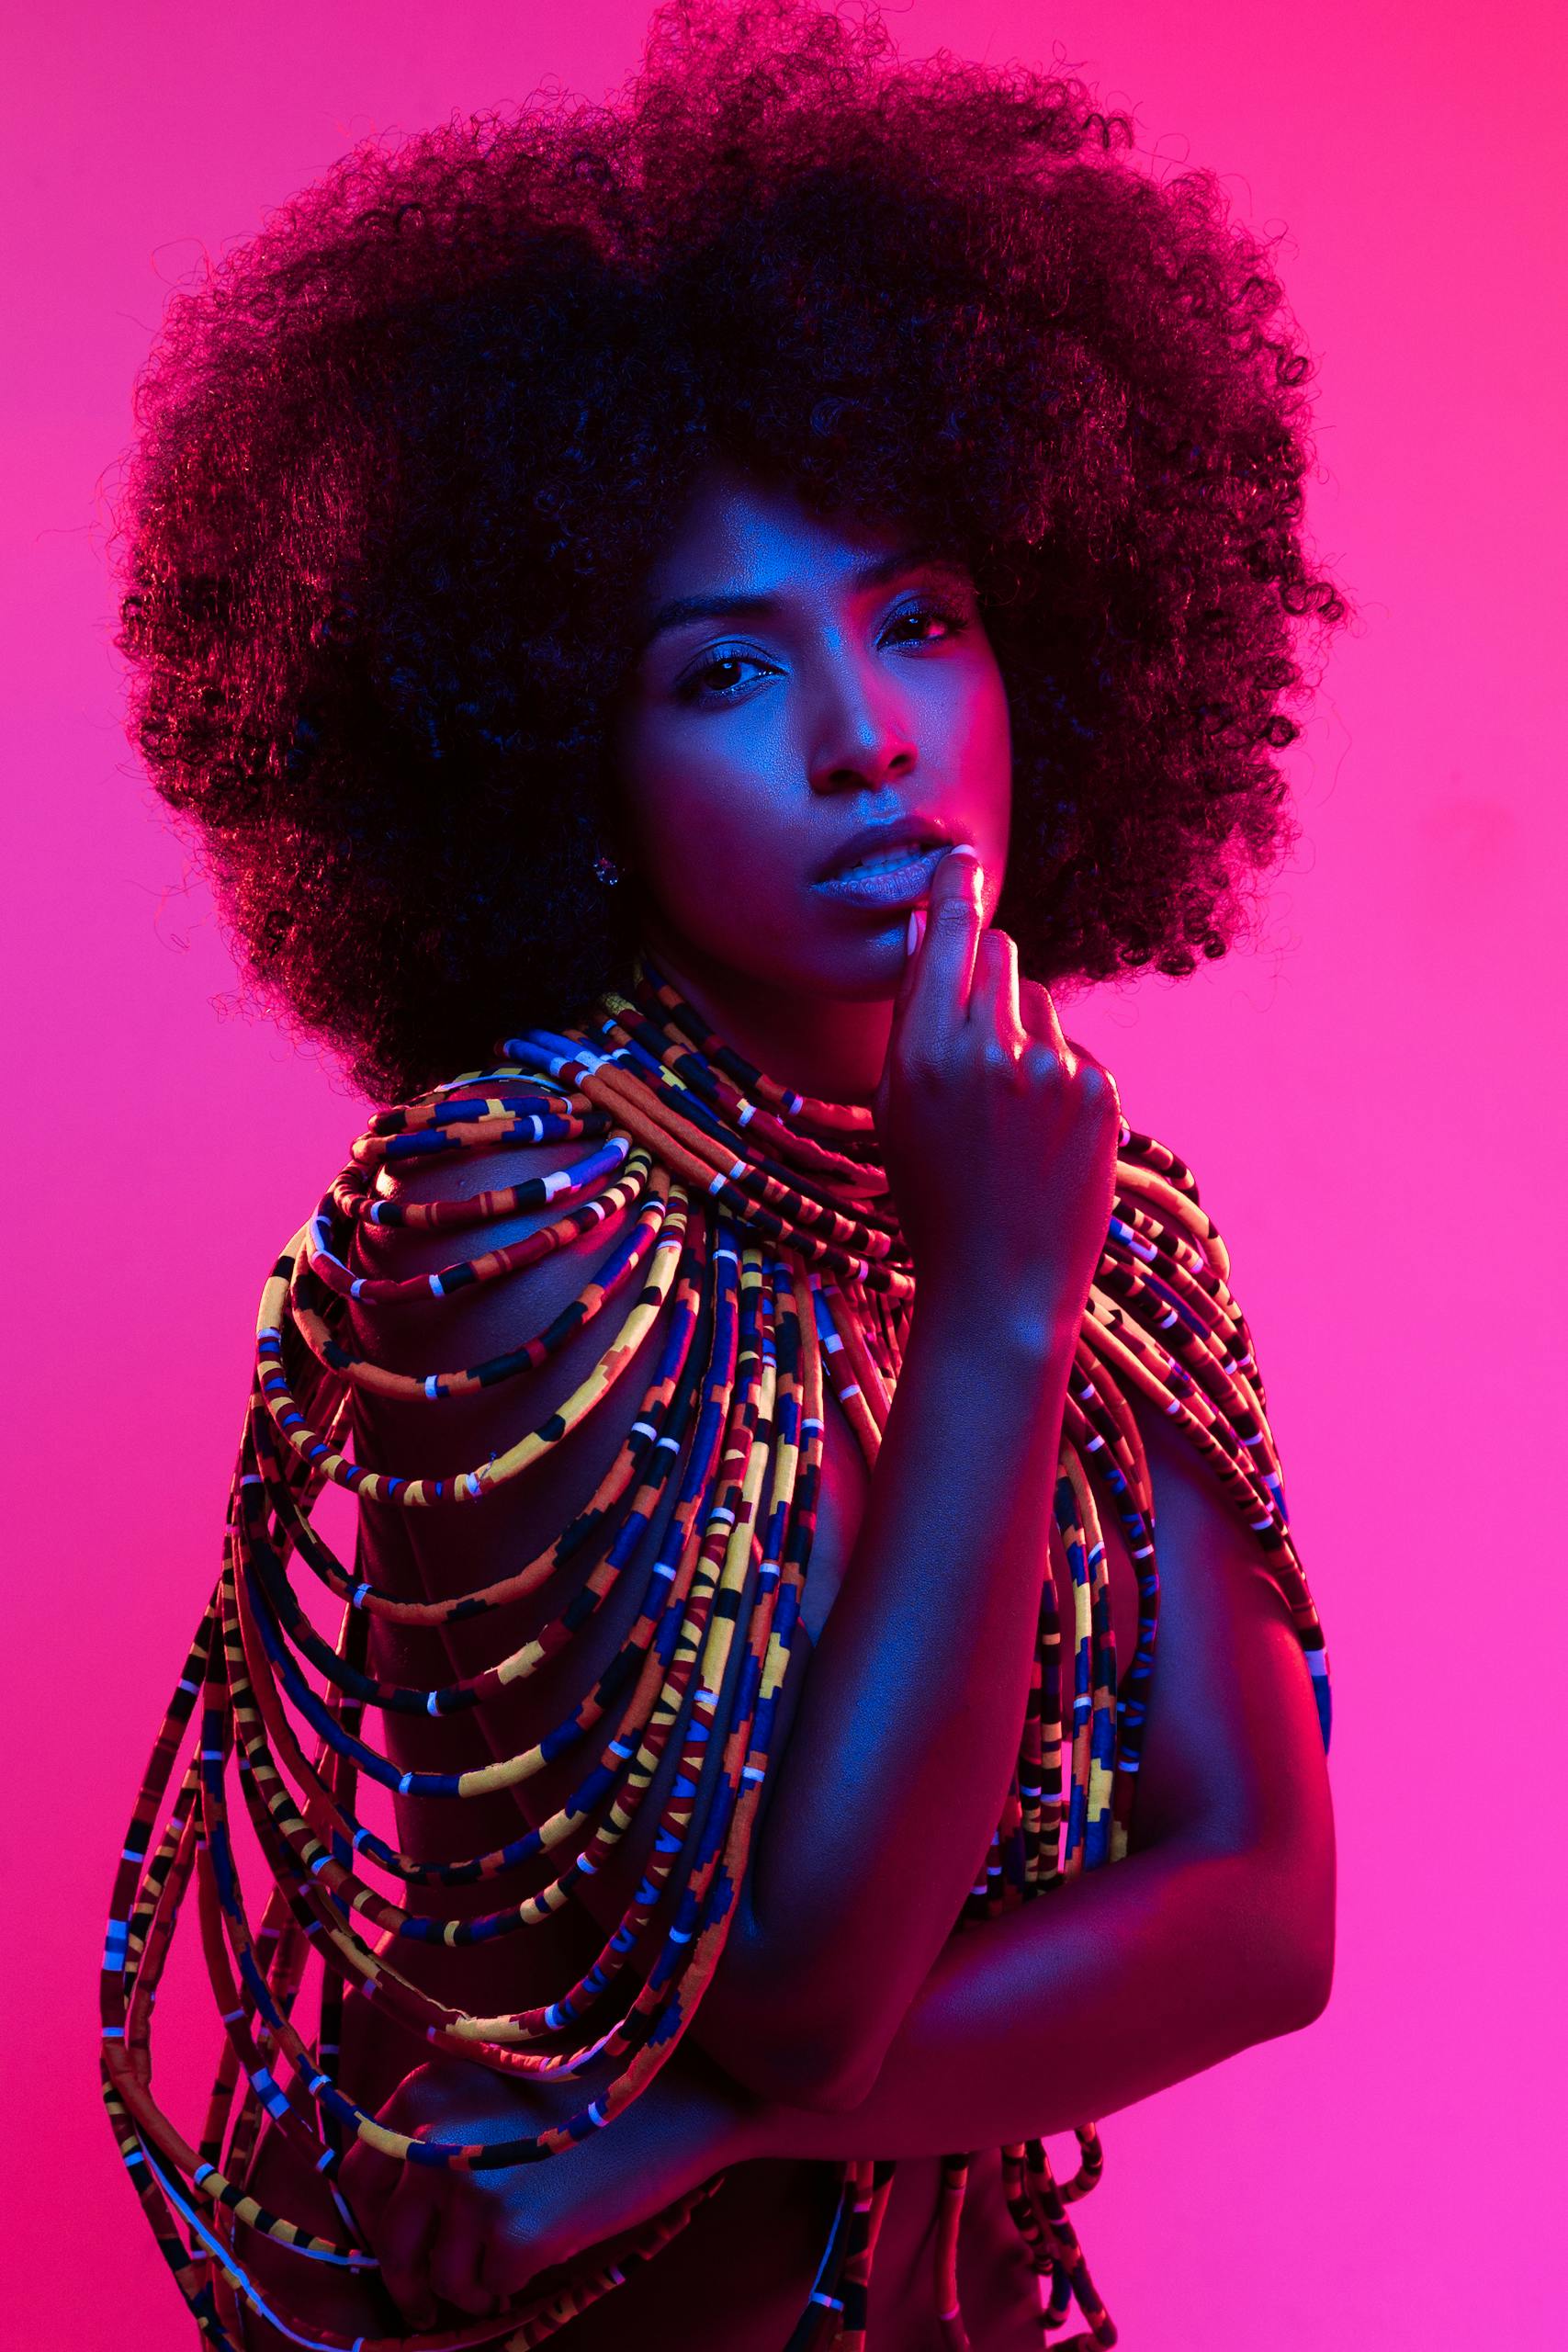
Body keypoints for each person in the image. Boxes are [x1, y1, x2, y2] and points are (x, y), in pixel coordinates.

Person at [103, 5, 1344, 2345]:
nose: (865, 739)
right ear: (554, 754)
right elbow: (798, 1985)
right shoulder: (505, 1208)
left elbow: (1261, 1913)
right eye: (720, 673)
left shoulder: (1098, 1202)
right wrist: (990, 1305)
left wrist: (691, 2130)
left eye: (917, 620)